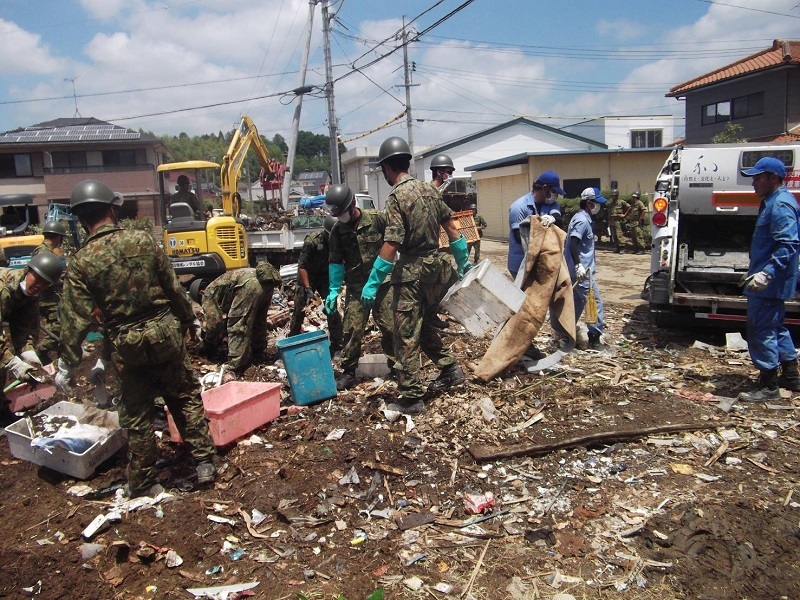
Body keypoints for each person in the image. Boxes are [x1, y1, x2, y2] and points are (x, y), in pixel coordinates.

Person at [55, 179, 216, 498]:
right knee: (183, 395)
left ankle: (144, 481)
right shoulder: (143, 241)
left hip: (126, 343)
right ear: (113, 210)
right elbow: (173, 288)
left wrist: (66, 363)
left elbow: (73, 318)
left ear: (81, 219)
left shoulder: (82, 262)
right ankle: (204, 462)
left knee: (137, 411)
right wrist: (190, 321)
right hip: (163, 332)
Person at [362, 136, 471, 414]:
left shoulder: (397, 196)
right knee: (422, 326)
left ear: (387, 167)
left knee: (405, 334)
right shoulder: (429, 191)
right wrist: (463, 263)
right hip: (435, 272)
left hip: (410, 274)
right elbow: (453, 229)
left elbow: (392, 242)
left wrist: (373, 281)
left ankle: (411, 396)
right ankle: (450, 369)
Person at [737, 157, 800, 402]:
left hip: (770, 282)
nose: (753, 182)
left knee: (760, 329)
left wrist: (767, 272)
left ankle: (769, 385)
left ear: (773, 178)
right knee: (775, 326)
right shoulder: (774, 202)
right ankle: (792, 376)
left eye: (757, 177)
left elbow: (789, 243)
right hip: (772, 280)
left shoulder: (780, 205)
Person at [323, 184, 395, 391]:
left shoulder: (377, 219)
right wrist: (334, 291)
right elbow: (335, 262)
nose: (341, 217)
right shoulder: (337, 231)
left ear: (353, 204)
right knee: (352, 329)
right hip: (355, 286)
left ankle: (396, 367)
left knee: (390, 326)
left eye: (343, 212)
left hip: (382, 284)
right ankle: (348, 371)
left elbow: (393, 245)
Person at [0, 253, 65, 424]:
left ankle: (1, 413)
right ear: (28, 271)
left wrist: (29, 355)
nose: (39, 286)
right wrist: (13, 363)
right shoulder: (3, 288)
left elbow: (24, 329)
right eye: (37, 279)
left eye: (45, 284)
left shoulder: (28, 296)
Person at [197, 261, 282, 376]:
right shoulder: (221, 282)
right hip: (267, 284)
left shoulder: (207, 293)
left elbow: (215, 323)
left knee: (238, 323)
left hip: (250, 285)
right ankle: (258, 350)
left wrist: (208, 342)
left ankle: (236, 364)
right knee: (258, 320)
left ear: (200, 293)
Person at [287, 216, 344, 357]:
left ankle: (337, 344)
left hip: (324, 277)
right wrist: (307, 288)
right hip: (308, 277)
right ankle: (292, 343)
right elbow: (302, 266)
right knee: (300, 310)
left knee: (331, 309)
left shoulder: (338, 241)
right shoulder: (312, 241)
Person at [565, 188, 606, 348]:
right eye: (597, 203)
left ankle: (566, 334)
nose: (599, 207)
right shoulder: (582, 220)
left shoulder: (584, 219)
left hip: (580, 271)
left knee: (576, 305)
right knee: (594, 303)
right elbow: (573, 244)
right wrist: (578, 266)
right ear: (589, 203)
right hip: (582, 273)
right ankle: (595, 339)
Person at [508, 171, 564, 277]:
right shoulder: (519, 207)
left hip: (542, 262)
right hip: (521, 263)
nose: (555, 195)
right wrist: (538, 229)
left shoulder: (551, 204)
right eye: (553, 191)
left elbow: (558, 220)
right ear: (544, 188)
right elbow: (519, 238)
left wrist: (552, 218)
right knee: (524, 293)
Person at [31, 220, 67, 364]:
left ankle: (59, 357)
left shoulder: (43, 250)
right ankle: (40, 352)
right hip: (46, 298)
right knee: (60, 326)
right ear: (58, 236)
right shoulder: (44, 252)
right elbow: (44, 276)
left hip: (48, 296)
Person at [607, 189, 630, 253]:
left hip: (618, 220)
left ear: (617, 196)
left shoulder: (621, 202)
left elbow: (629, 207)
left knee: (619, 234)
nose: (613, 197)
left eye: (614, 195)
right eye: (612, 196)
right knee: (614, 235)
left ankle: (622, 247)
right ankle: (617, 247)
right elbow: (609, 213)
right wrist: (609, 222)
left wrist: (624, 215)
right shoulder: (611, 204)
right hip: (612, 220)